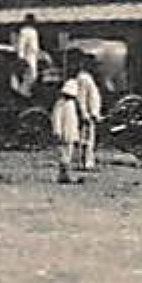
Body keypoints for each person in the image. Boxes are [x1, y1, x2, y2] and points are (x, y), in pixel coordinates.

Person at [51, 54, 84, 185]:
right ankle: (64, 174)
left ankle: (65, 174)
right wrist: (57, 131)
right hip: (64, 132)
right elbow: (56, 118)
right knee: (64, 154)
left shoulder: (69, 104)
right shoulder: (61, 104)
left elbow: (73, 121)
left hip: (70, 132)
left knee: (68, 153)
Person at [73, 54, 102, 171]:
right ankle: (84, 163)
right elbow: (82, 97)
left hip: (91, 113)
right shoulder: (83, 78)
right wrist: (84, 113)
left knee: (89, 139)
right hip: (87, 114)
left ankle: (87, 161)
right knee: (86, 139)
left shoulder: (87, 78)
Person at [15, 14, 41, 98]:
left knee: (34, 75)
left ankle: (30, 91)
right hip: (28, 55)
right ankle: (24, 92)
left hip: (33, 55)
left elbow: (35, 46)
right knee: (29, 75)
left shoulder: (34, 31)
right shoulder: (24, 31)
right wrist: (21, 58)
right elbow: (21, 45)